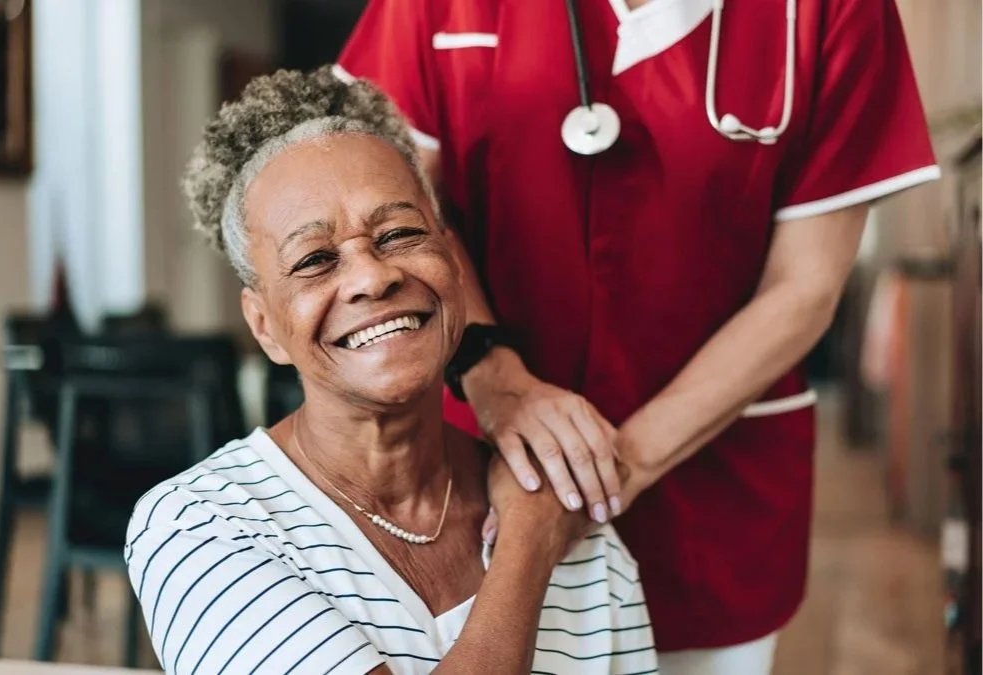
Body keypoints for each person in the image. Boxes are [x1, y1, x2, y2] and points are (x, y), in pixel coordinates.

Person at [335, 0, 940, 672]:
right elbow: (396, 197)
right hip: (479, 457)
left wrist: (606, 471)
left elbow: (804, 287)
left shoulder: (832, 12)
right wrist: (492, 375)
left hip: (710, 485)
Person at [123, 67, 657, 675]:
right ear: (264, 325)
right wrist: (526, 549)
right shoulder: (204, 526)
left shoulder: (574, 513)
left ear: (453, 262)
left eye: (400, 233)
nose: (373, 277)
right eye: (316, 259)